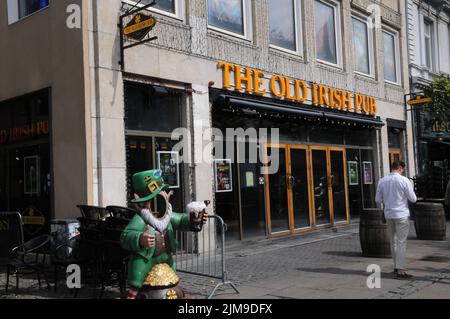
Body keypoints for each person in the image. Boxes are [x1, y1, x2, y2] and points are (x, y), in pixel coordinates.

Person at [120, 169, 208, 299]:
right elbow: (125, 236)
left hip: (165, 257)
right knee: (136, 277)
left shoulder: (167, 216)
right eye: (151, 200)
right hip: (146, 258)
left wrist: (193, 220)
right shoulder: (141, 219)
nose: (158, 203)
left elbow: (181, 220)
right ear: (140, 202)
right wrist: (140, 239)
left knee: (172, 279)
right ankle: (132, 295)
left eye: (160, 196)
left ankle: (176, 294)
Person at [375, 161, 417, 279]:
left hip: (389, 214)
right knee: (401, 242)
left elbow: (378, 200)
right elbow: (413, 199)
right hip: (401, 214)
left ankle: (396, 266)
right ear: (400, 168)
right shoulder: (404, 180)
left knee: (393, 241)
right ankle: (401, 270)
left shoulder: (382, 181)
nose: (403, 171)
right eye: (403, 169)